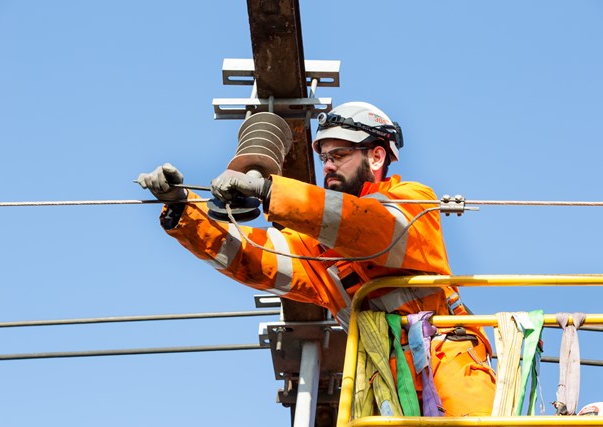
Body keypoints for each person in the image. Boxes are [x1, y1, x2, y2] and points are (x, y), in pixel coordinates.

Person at [137, 101, 496, 417]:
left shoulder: (413, 202)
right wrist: (183, 208)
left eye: (339, 155)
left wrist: (271, 190)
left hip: (448, 368)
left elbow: (371, 226)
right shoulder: (316, 248)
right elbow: (252, 256)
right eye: (324, 157)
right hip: (381, 388)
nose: (327, 167)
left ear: (375, 156)